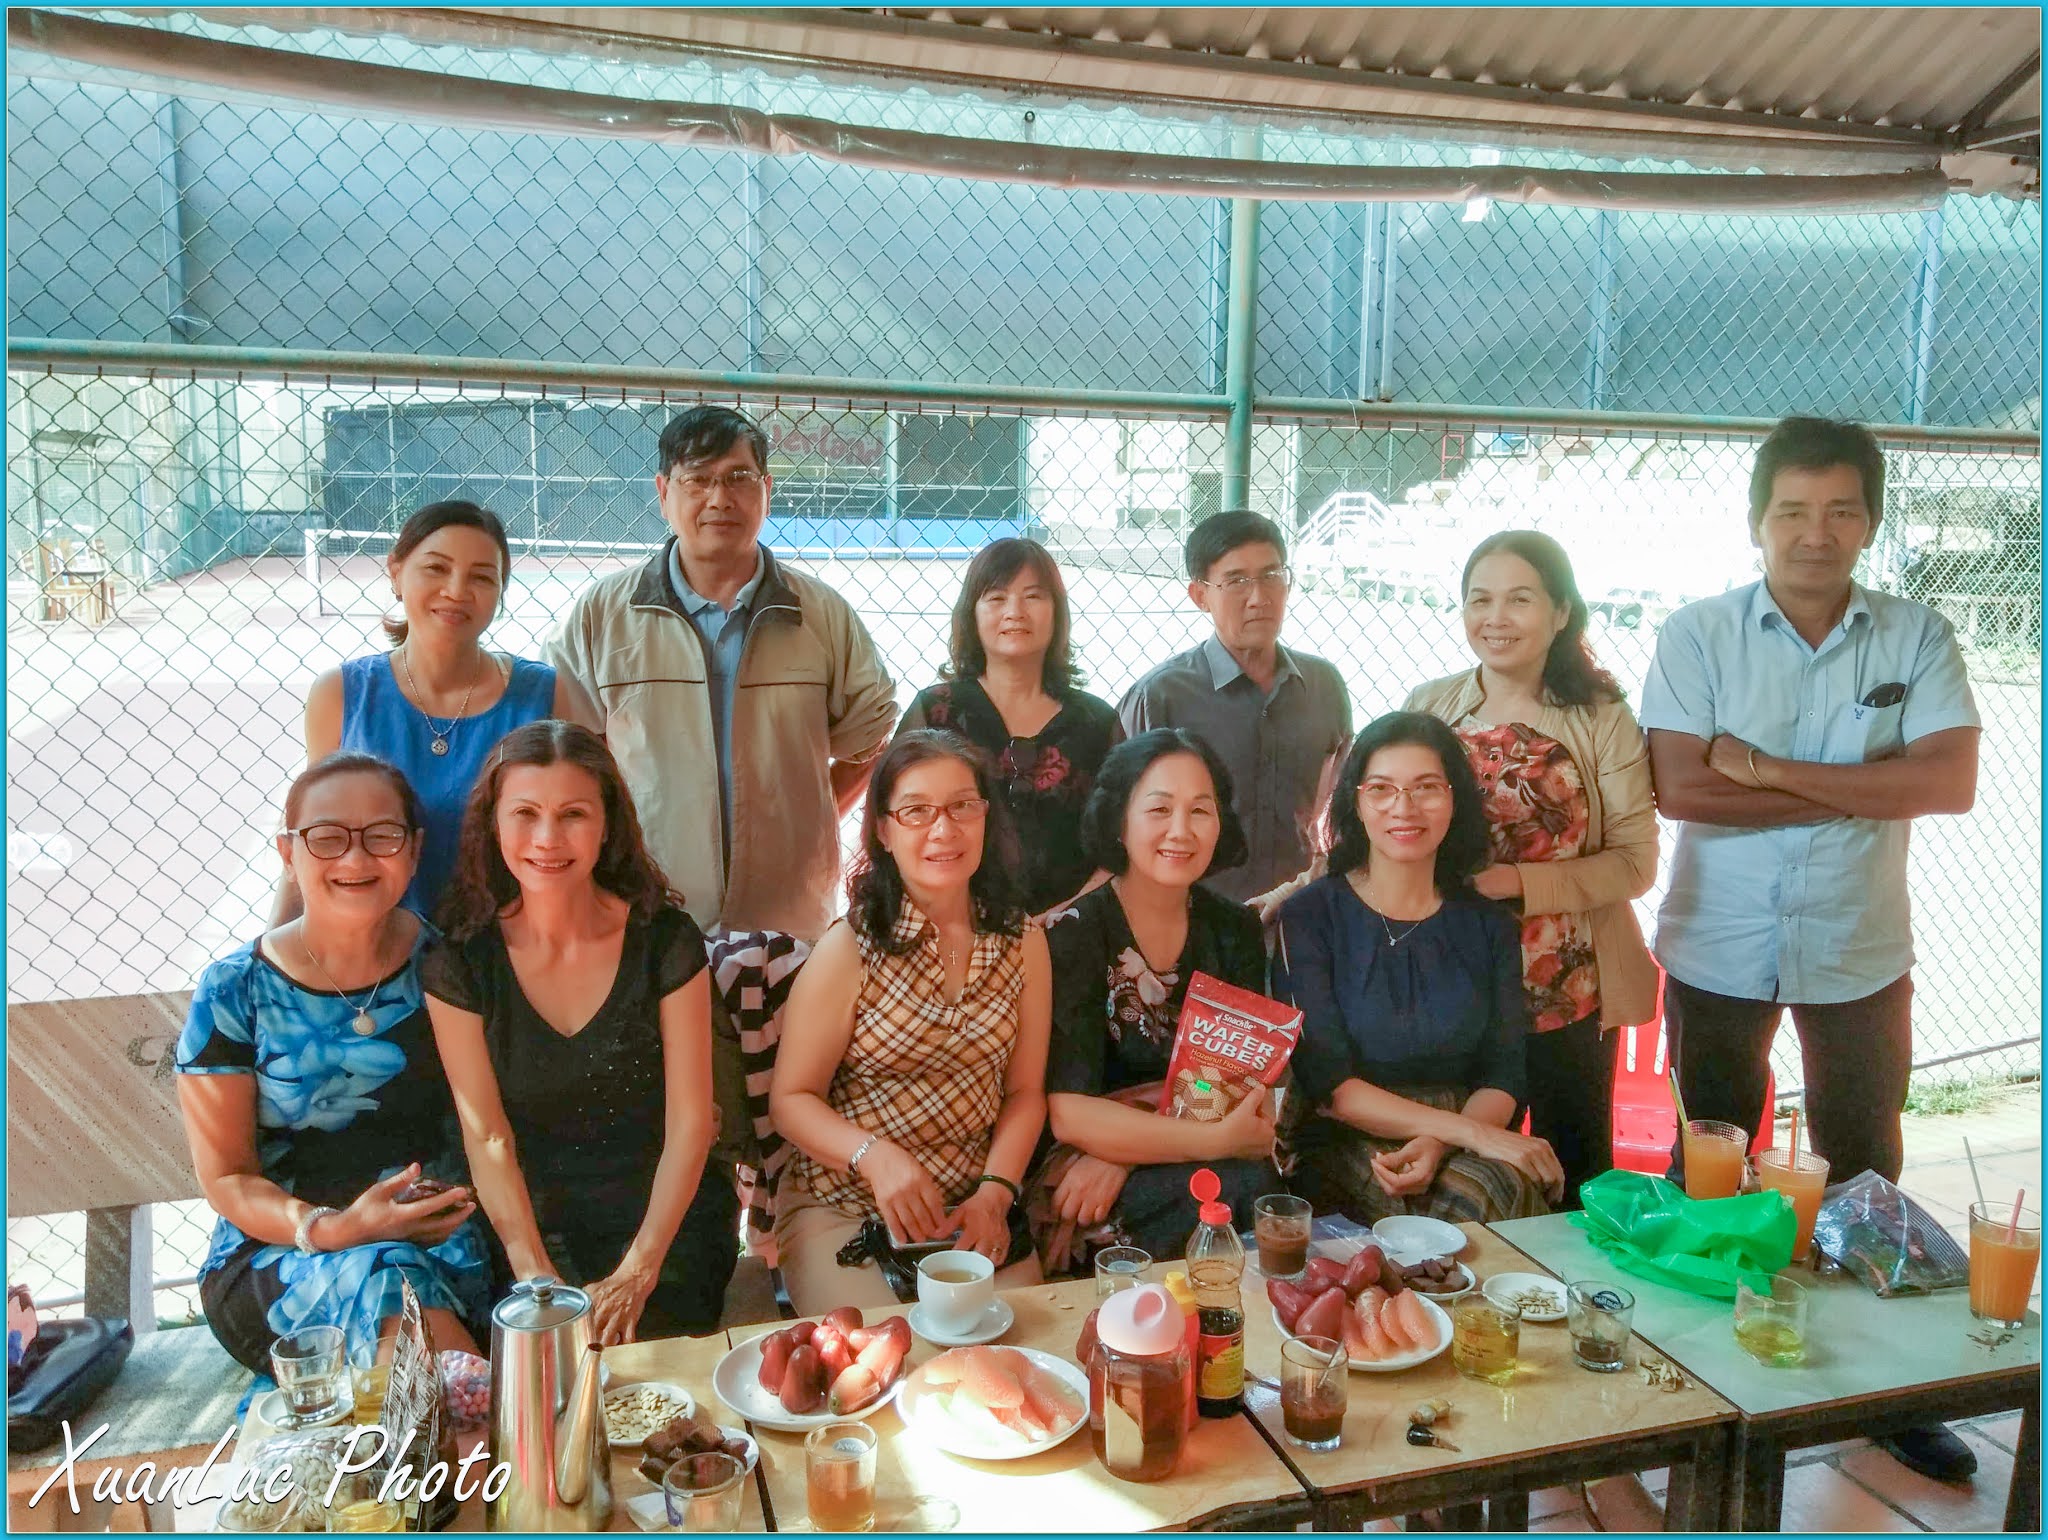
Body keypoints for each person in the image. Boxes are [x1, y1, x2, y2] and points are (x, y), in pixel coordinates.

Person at [1641, 416, 1980, 1484]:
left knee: (1865, 1157)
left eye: (1839, 511)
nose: (1814, 533)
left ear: (1869, 522)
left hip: (1856, 944)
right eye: (1791, 511)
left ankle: (1883, 1393)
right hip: (1718, 936)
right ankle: (1694, 1374)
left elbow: (1946, 783)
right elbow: (1680, 787)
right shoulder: (1698, 633)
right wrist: (1858, 789)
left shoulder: (1915, 634)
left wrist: (1764, 768)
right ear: (1757, 522)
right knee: (1709, 1149)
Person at [177, 752, 487, 1373]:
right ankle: (476, 1424)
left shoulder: (452, 967)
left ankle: (448, 1422)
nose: (355, 858)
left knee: (419, 1273)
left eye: (382, 835)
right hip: (288, 1253)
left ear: (414, 850)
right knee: (388, 1276)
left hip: (442, 1238)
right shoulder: (234, 992)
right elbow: (228, 1178)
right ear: (287, 852)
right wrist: (336, 1228)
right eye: (326, 837)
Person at [545, 405, 897, 942]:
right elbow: (569, 753)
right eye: (698, 480)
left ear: (766, 490)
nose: (719, 499)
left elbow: (870, 737)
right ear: (663, 492)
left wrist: (808, 815)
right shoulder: (603, 615)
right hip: (647, 912)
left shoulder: (822, 614)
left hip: (788, 917)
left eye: (738, 478)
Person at [423, 721, 727, 1342]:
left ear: (608, 824)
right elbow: (487, 1136)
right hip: (524, 1231)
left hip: (662, 1226)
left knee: (642, 1371)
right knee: (543, 1373)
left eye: (573, 814)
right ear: (493, 824)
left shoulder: (665, 941)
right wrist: (539, 1281)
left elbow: (692, 1123)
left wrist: (638, 1272)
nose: (547, 839)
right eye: (525, 813)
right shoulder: (460, 960)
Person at [1402, 531, 1659, 1208]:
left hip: (1564, 992)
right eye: (1479, 599)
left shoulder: (1602, 719)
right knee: (1459, 1177)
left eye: (1519, 599)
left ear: (1562, 612)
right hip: (1449, 986)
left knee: (1574, 1177)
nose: (1496, 618)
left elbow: (1634, 863)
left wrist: (1516, 884)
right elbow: (1375, 826)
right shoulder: (1428, 706)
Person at [769, 730, 1050, 1314]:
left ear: (986, 816)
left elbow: (1025, 1093)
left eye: (962, 806)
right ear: (883, 830)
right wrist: (875, 1156)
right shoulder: (851, 947)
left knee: (1014, 1344)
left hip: (972, 1211)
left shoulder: (1023, 940)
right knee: (892, 1351)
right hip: (845, 1206)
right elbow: (790, 1101)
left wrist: (996, 1194)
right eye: (917, 811)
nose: (943, 830)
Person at [1273, 712, 1563, 1225]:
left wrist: (1441, 1141)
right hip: (1344, 1136)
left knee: (1500, 1184)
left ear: (1455, 800)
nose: (1404, 807)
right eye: (1381, 789)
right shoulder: (1311, 916)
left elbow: (1503, 1072)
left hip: (1459, 1128)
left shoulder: (1489, 923)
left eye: (1427, 787)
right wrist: (1471, 1136)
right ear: (1356, 802)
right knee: (1484, 1197)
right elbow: (1331, 1087)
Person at [1033, 730, 1277, 1272]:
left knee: (1245, 1180)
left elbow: (1239, 1095)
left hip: (1177, 1146)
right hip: (1081, 1161)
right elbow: (1070, 1113)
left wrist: (1125, 1155)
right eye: (1159, 809)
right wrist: (1208, 1141)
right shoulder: (1073, 933)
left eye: (1200, 810)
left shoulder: (1235, 930)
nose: (1180, 831)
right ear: (1119, 821)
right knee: (1224, 1188)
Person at [293, 500, 595, 921]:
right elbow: (312, 840)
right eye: (436, 568)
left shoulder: (549, 695)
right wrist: (272, 944)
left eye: (482, 577)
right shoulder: (341, 694)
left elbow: (587, 836)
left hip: (506, 944)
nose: (456, 591)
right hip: (377, 944)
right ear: (396, 572)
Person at [1119, 510, 1352, 903]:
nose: (1259, 598)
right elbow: (1124, 823)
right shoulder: (1159, 696)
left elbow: (1339, 801)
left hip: (1299, 906)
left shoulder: (1324, 686)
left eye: (1271, 576)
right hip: (1193, 915)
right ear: (1200, 595)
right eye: (1236, 581)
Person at [897, 538, 1122, 919]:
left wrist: (1061, 920)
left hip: (1073, 925)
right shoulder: (935, 711)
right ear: (971, 614)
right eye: (997, 598)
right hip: (947, 924)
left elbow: (1121, 838)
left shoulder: (1097, 721)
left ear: (1057, 612)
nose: (1015, 612)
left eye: (1033, 596)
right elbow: (899, 822)